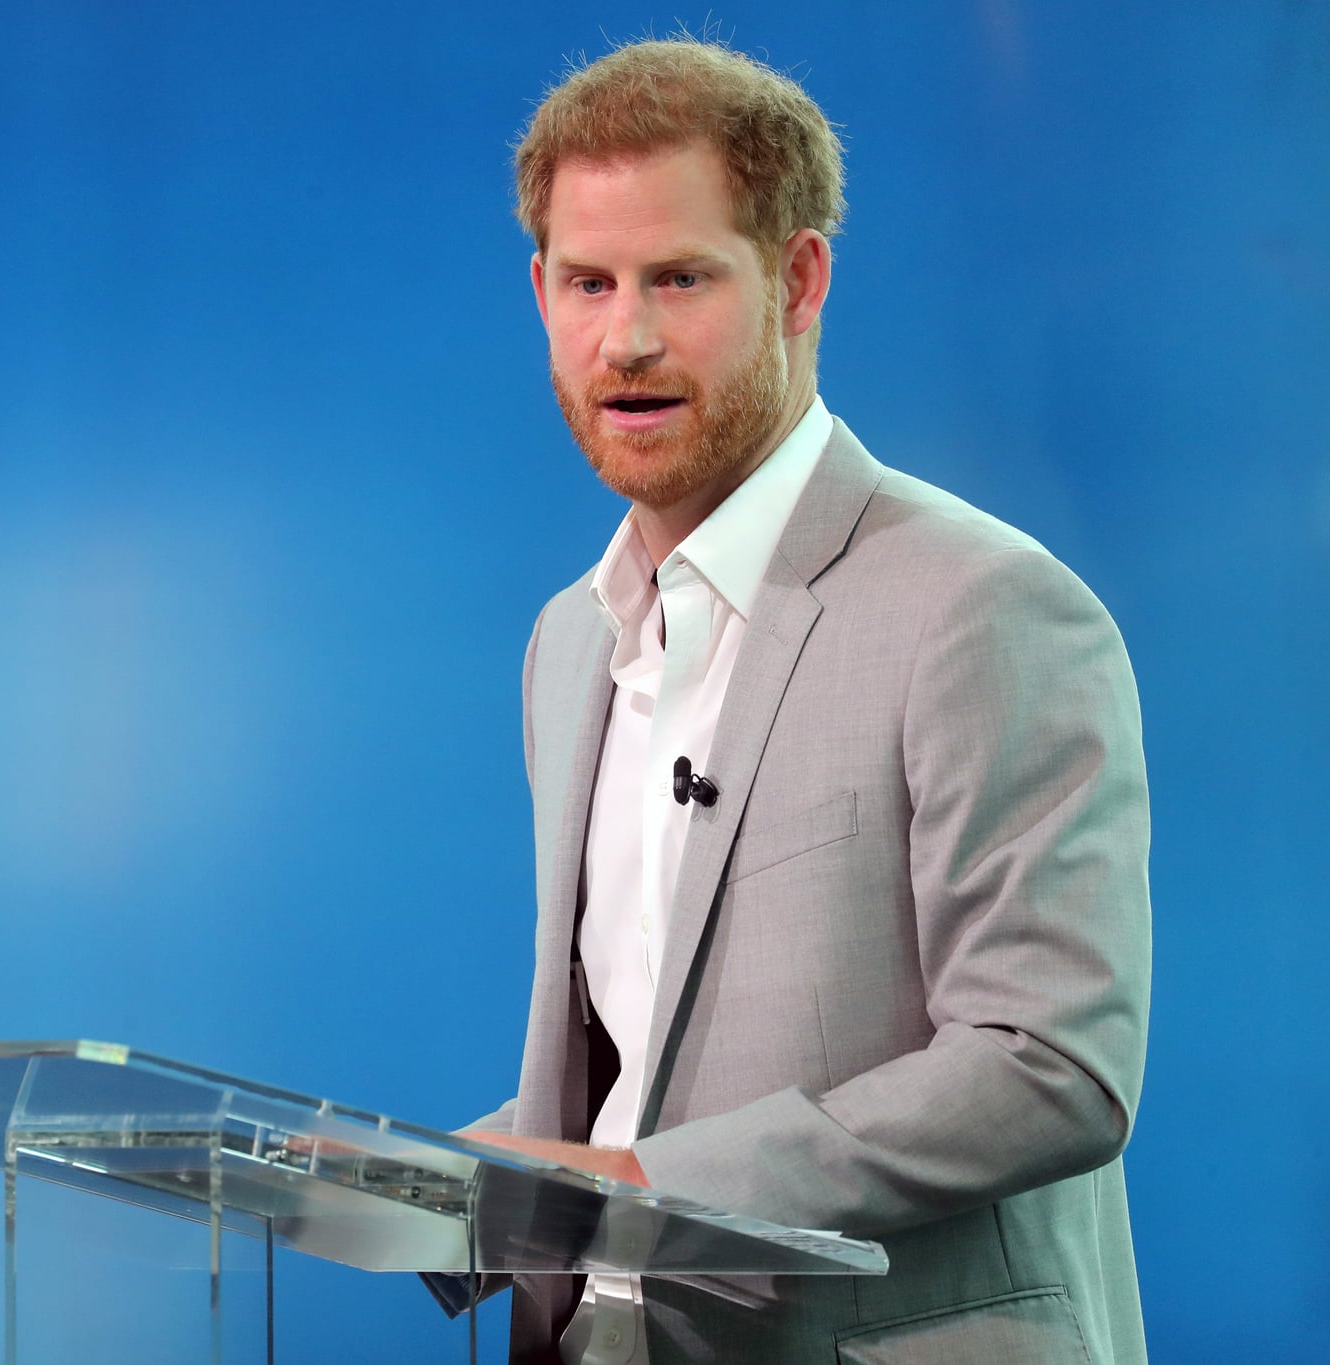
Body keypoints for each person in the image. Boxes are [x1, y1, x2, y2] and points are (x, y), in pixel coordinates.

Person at [444, 37, 1151, 1365]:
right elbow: (650, 1070)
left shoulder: (981, 605)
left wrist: (642, 1192)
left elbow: (1048, 1064)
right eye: (589, 282)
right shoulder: (565, 645)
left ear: (800, 279)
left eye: (682, 277)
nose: (629, 335)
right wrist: (426, 1183)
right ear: (541, 294)